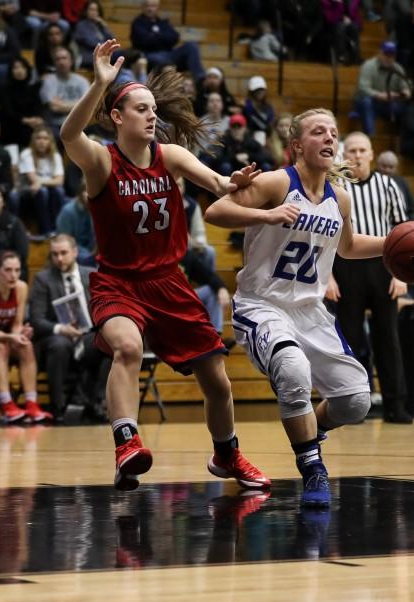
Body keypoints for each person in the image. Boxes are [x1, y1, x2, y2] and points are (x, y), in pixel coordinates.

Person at [60, 40, 269, 491]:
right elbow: (69, 136)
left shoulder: (169, 156)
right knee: (128, 347)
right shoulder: (101, 162)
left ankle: (227, 454)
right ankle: (126, 443)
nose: (152, 115)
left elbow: (216, 183)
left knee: (217, 380)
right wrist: (99, 84)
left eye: (153, 108)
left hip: (168, 281)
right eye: (141, 109)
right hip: (118, 282)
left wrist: (231, 183)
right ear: (118, 117)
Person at [204, 108, 383, 505]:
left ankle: (307, 430)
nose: (330, 139)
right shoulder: (277, 182)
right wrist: (266, 214)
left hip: (310, 311)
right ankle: (313, 469)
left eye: (334, 133)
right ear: (298, 145)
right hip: (261, 304)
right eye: (319, 132)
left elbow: (349, 248)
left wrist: (393, 242)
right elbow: (215, 211)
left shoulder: (342, 200)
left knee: (355, 401)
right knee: (292, 368)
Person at [329, 131, 412, 424]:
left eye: (363, 150)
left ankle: (395, 405)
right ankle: (354, 405)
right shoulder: (335, 187)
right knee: (349, 341)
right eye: (352, 150)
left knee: (387, 338)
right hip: (346, 267)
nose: (357, 155)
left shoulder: (389, 185)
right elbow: (324, 236)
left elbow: (404, 233)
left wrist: (400, 275)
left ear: (372, 154)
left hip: (382, 265)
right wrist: (328, 277)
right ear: (344, 154)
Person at [29, 234, 109, 418]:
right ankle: (58, 406)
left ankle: (99, 401)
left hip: (88, 335)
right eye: (55, 254)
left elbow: (105, 308)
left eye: (63, 253)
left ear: (75, 252)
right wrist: (61, 329)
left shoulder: (91, 274)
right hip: (58, 335)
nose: (59, 258)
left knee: (109, 343)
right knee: (59, 345)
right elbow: (36, 319)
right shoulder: (43, 279)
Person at [0, 250, 51, 422]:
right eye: (8, 270)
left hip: (7, 336)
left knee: (27, 346)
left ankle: (31, 404)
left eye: (17, 270)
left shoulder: (21, 287)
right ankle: (6, 403)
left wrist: (20, 334)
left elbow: (16, 323)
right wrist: (10, 338)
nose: (13, 275)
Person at [130, 0, 204, 81]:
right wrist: (163, 37)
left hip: (169, 54)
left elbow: (175, 37)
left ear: (158, 7)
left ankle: (200, 80)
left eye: (153, 6)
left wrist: (154, 36)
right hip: (150, 55)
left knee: (191, 45)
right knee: (158, 59)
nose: (150, 9)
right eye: (147, 6)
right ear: (142, 7)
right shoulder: (137, 23)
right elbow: (142, 40)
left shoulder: (163, 23)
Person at [353, 41, 410, 137]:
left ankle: (404, 141)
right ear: (380, 53)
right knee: (367, 102)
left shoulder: (398, 69)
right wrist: (379, 95)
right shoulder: (369, 65)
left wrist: (405, 92)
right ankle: (371, 138)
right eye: (386, 54)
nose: (388, 58)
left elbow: (405, 86)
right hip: (369, 102)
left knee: (407, 108)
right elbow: (362, 88)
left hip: (389, 103)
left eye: (391, 55)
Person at [19, 125, 67, 235]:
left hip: (47, 190)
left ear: (50, 141)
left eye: (45, 138)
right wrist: (44, 182)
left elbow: (60, 181)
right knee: (43, 191)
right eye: (38, 138)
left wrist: (40, 182)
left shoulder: (55, 156)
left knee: (60, 191)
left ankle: (58, 228)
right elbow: (32, 180)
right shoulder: (27, 154)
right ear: (33, 140)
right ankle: (45, 230)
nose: (41, 141)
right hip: (28, 191)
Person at [0, 57, 44, 151]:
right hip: (9, 127)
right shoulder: (4, 89)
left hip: (29, 127)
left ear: (27, 70)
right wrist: (26, 120)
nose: (19, 70)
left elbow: (38, 108)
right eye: (15, 68)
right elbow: (8, 112)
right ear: (11, 71)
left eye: (23, 67)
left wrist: (38, 119)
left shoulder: (33, 89)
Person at [40, 46, 90, 132]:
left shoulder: (82, 81)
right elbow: (54, 107)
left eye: (64, 58)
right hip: (54, 126)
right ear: (54, 63)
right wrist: (77, 105)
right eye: (57, 59)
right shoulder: (48, 81)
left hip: (78, 126)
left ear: (71, 61)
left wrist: (61, 105)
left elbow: (87, 106)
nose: (61, 62)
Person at [57, 180, 96, 266]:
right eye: (86, 191)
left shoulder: (97, 209)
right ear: (79, 194)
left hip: (92, 251)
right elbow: (64, 240)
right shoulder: (67, 212)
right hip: (74, 250)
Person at [375, 150, 414, 219]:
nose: (387, 170)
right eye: (384, 166)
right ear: (377, 165)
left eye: (391, 167)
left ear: (396, 168)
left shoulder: (402, 182)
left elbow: (412, 207)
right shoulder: (372, 180)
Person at [73, 1, 115, 67]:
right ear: (86, 11)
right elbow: (90, 42)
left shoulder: (99, 25)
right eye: (91, 9)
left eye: (96, 10)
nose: (94, 12)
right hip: (89, 55)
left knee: (121, 57)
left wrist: (104, 26)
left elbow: (112, 40)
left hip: (103, 53)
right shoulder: (81, 25)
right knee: (121, 55)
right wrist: (105, 46)